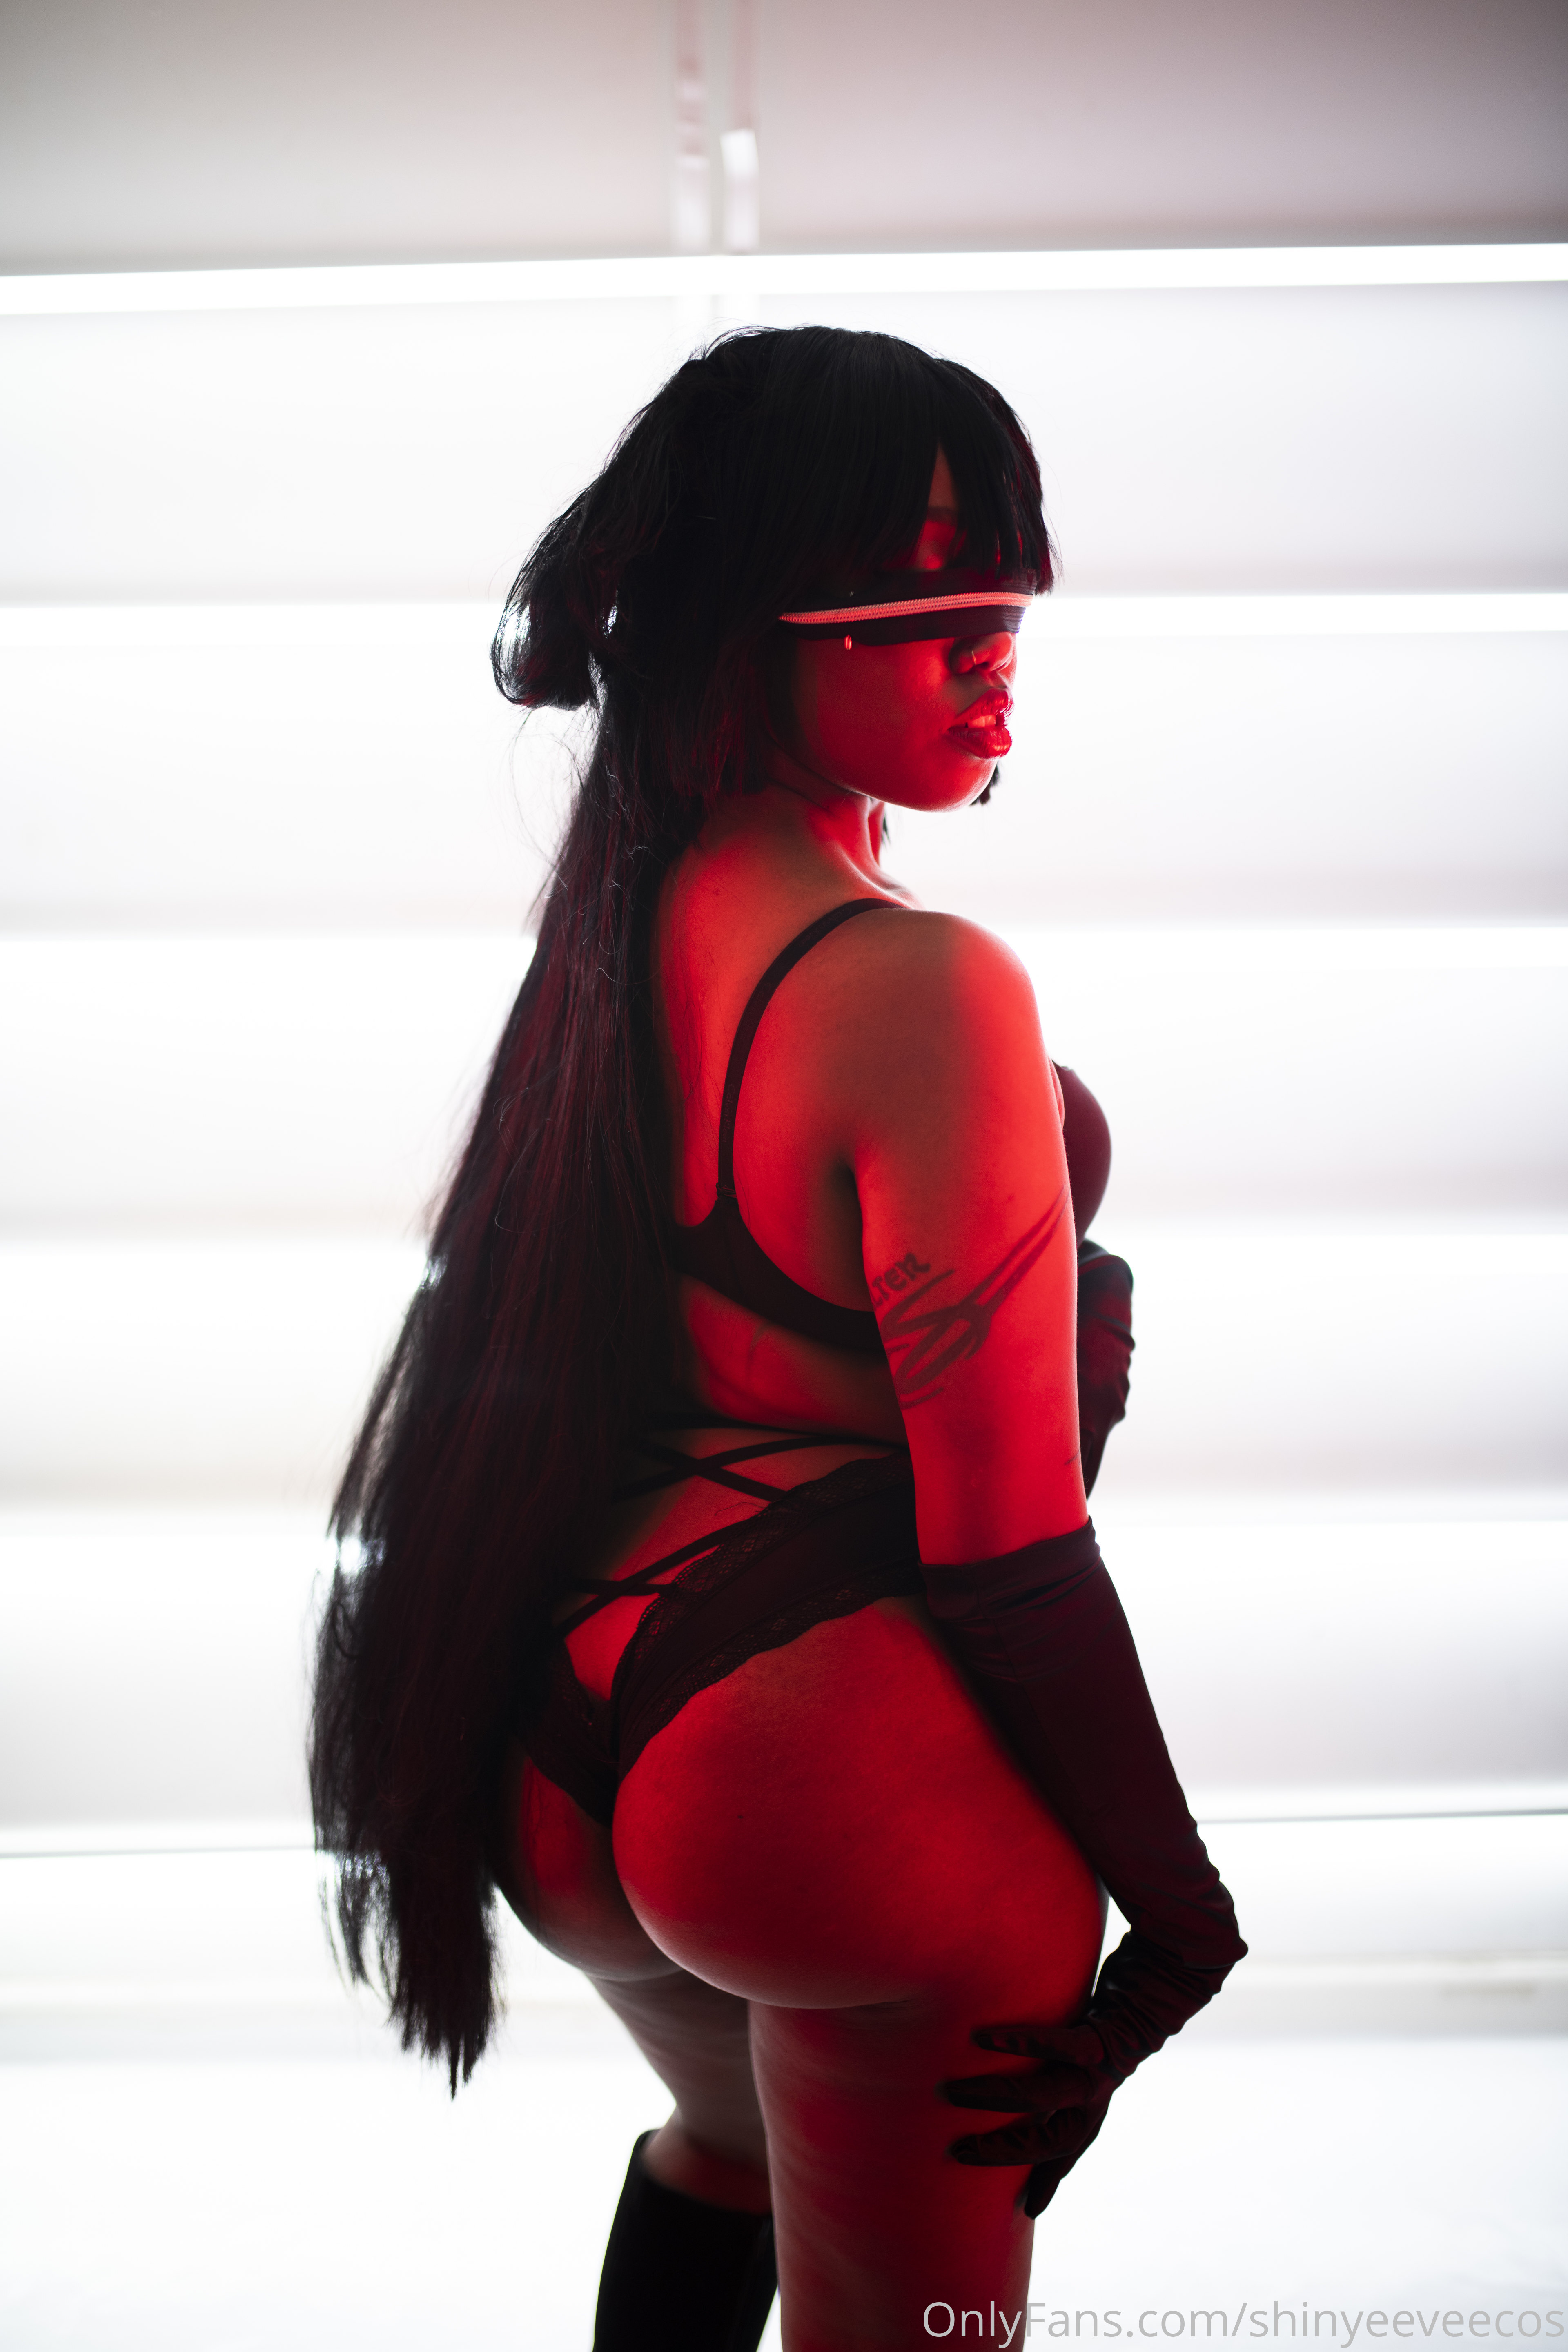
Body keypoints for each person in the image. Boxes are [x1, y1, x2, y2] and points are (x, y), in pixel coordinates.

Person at [310, 325, 1243, 2352]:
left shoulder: (621, 927)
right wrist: (1182, 1913)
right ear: (758, 631)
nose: (997, 660)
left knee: (724, 2152)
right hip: (816, 1762)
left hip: (560, 1739)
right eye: (932, 616)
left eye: (1012, 606)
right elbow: (1006, 1545)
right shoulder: (922, 984)